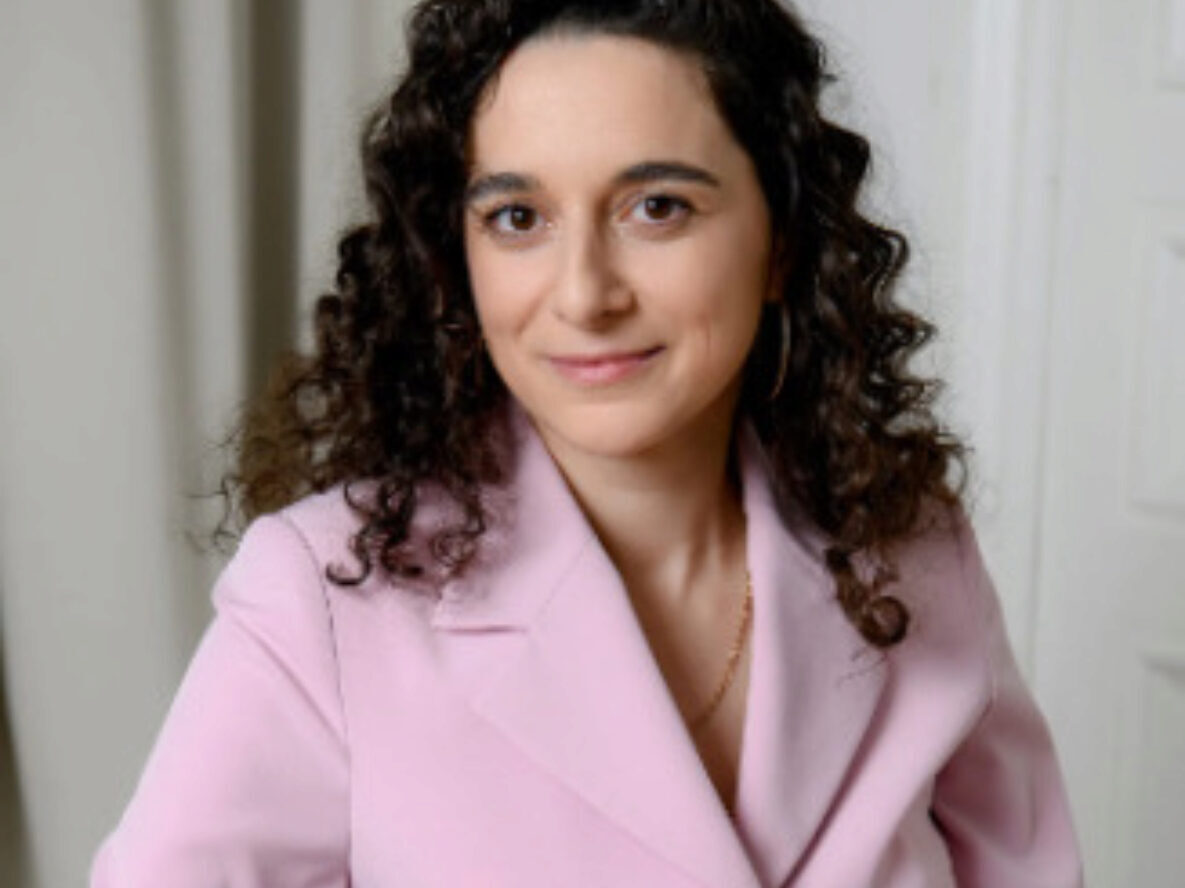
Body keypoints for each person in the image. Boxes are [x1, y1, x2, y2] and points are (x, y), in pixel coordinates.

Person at [91, 0, 1083, 885]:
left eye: (658, 208)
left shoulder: (917, 552)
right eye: (517, 217)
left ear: (781, 241)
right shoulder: (321, 596)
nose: (584, 294)